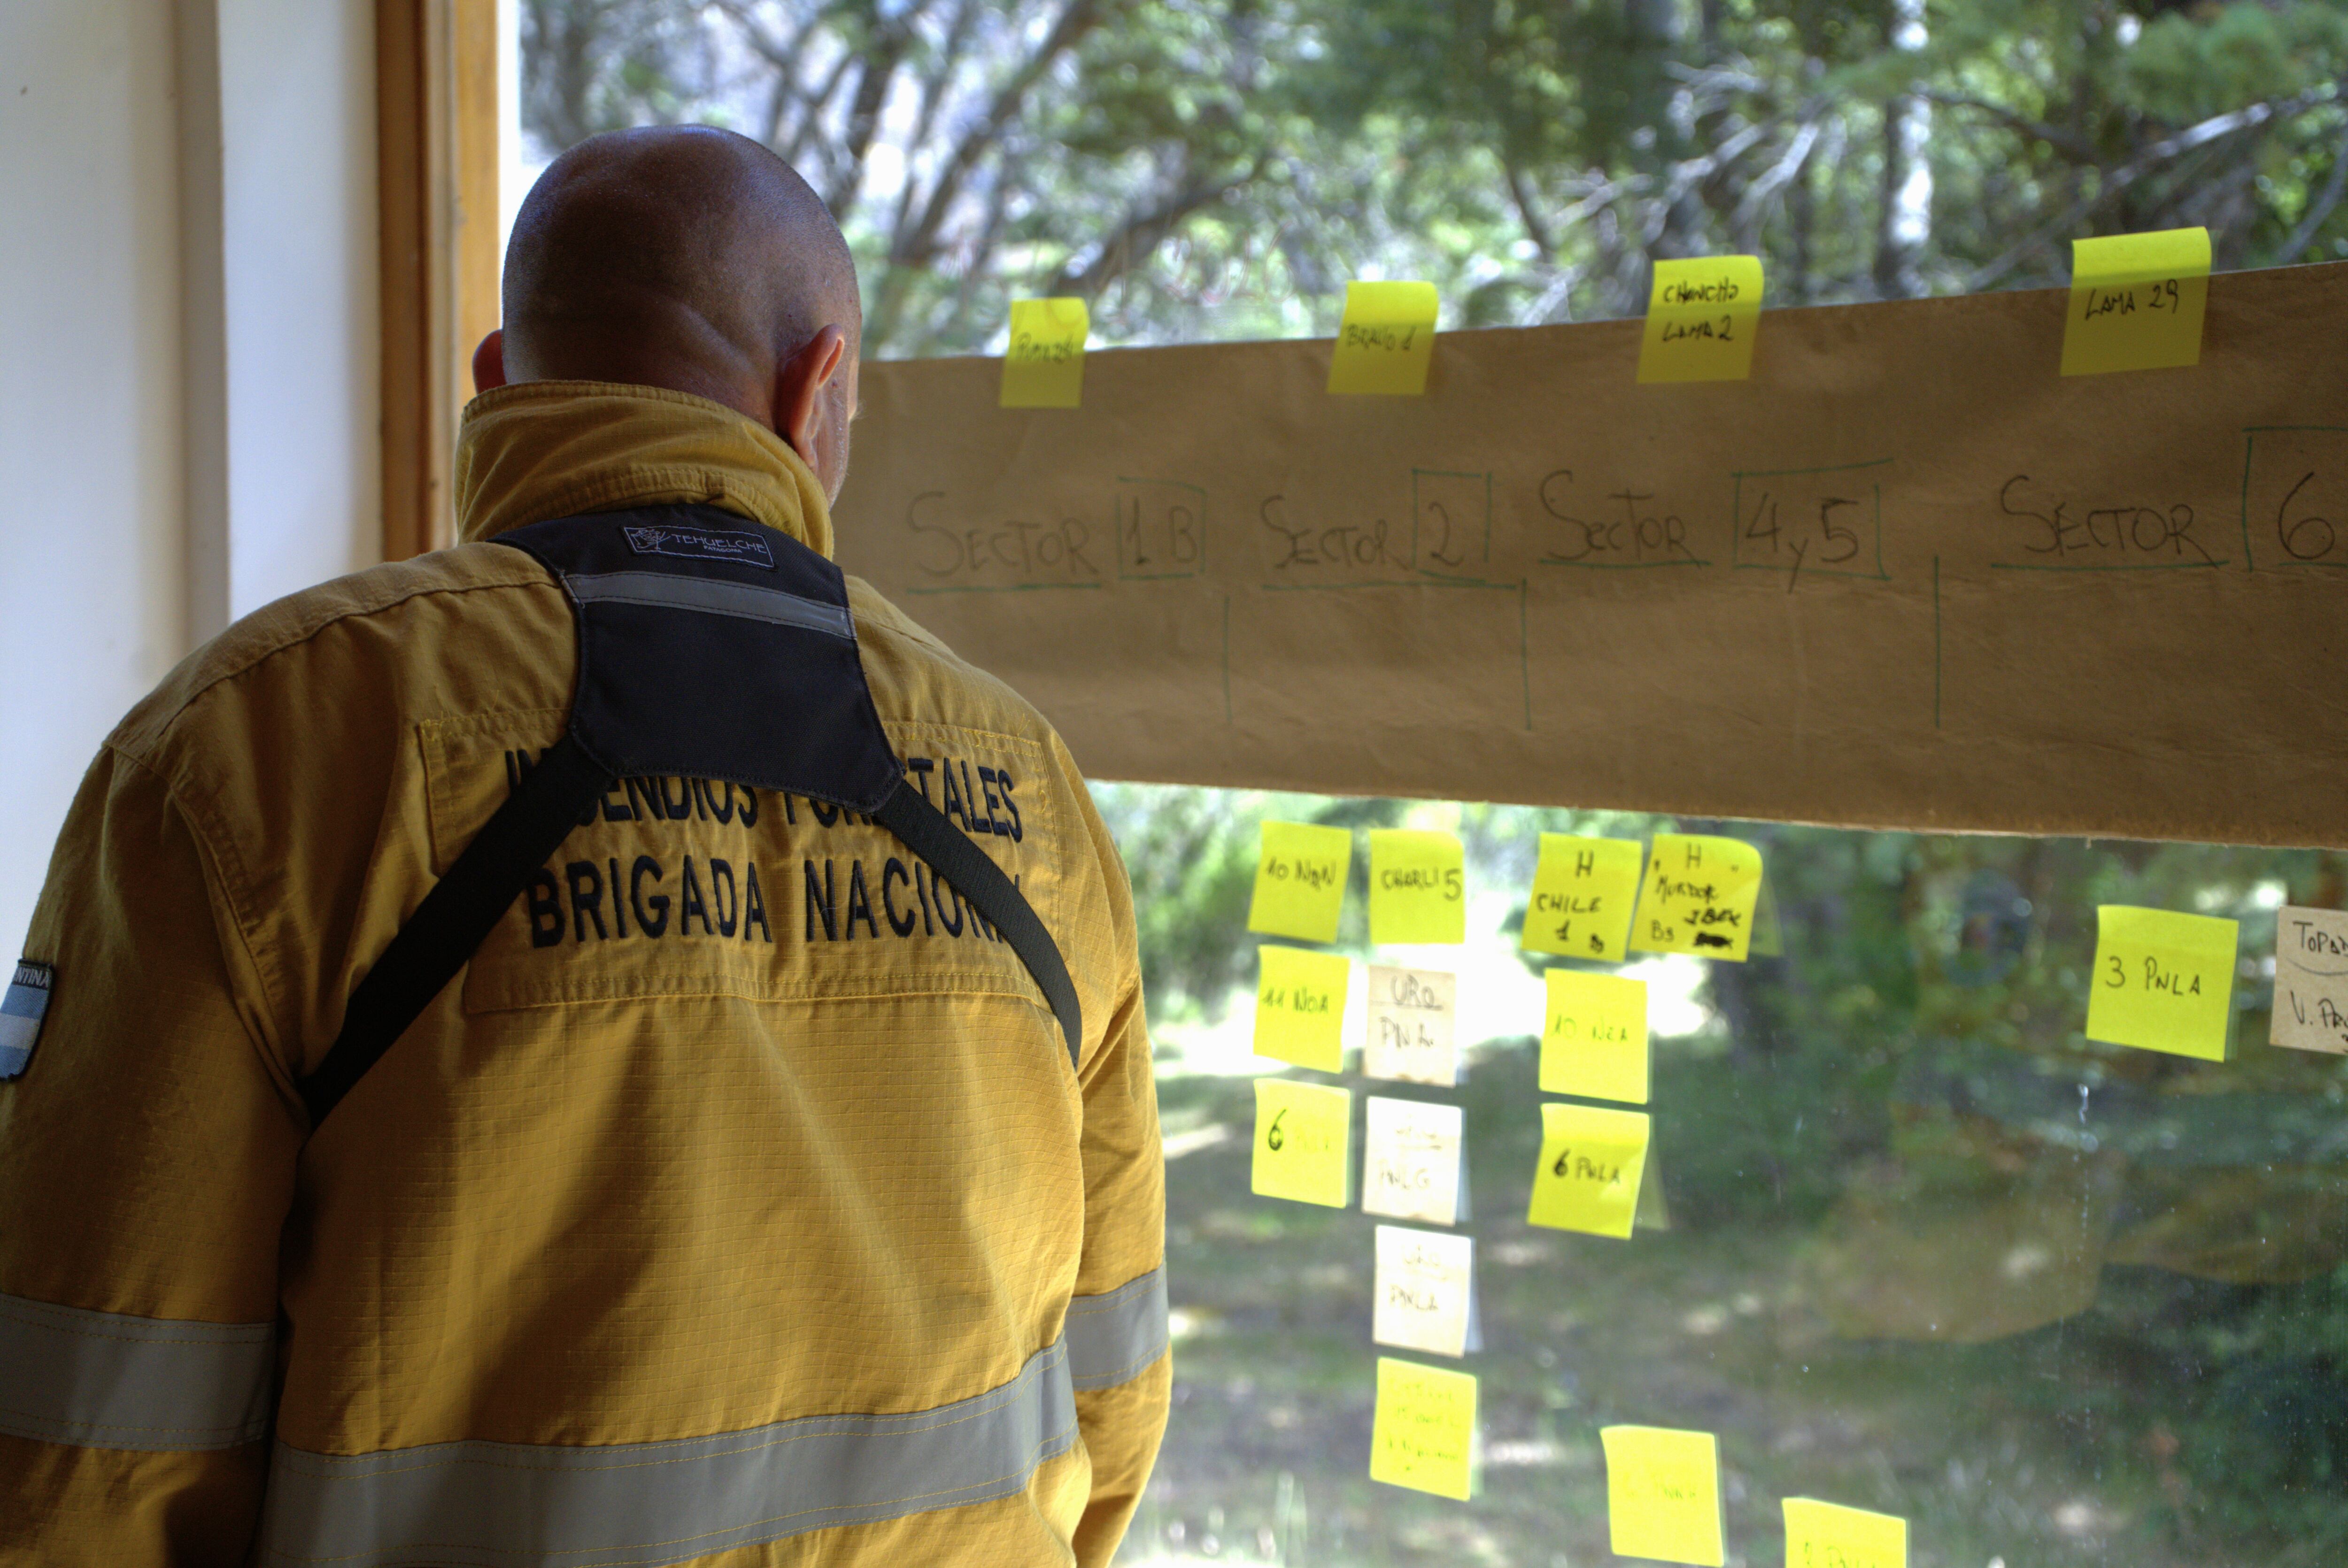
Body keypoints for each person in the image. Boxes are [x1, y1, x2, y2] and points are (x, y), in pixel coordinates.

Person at [0, 125, 1167, 1567]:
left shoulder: (253, 747)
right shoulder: (1033, 785)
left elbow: (81, 1452)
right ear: (822, 392)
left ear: (498, 383)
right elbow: (1108, 1405)